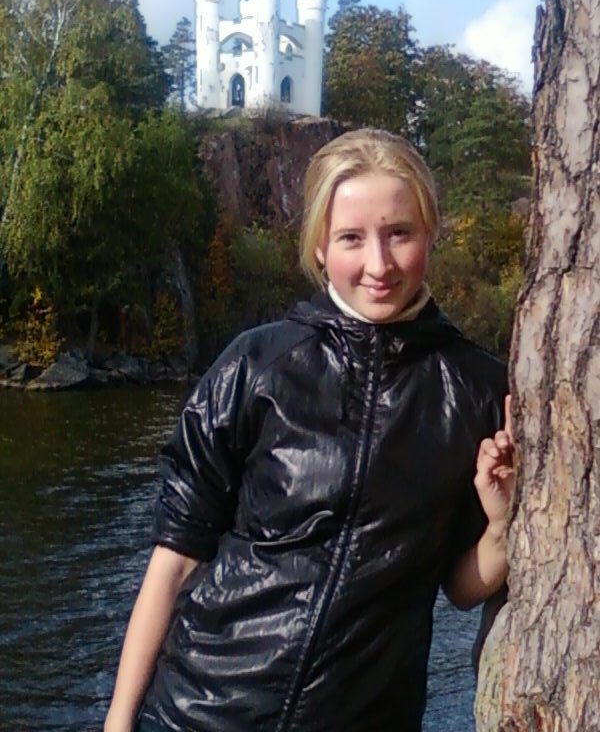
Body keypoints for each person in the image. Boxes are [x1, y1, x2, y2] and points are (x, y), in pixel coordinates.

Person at [105, 128, 514, 732]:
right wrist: (119, 721)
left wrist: (502, 527)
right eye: (351, 238)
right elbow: (174, 562)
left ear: (430, 231)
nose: (378, 265)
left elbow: (459, 586)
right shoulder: (257, 366)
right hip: (198, 713)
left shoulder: (478, 390)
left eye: (399, 233)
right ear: (320, 246)